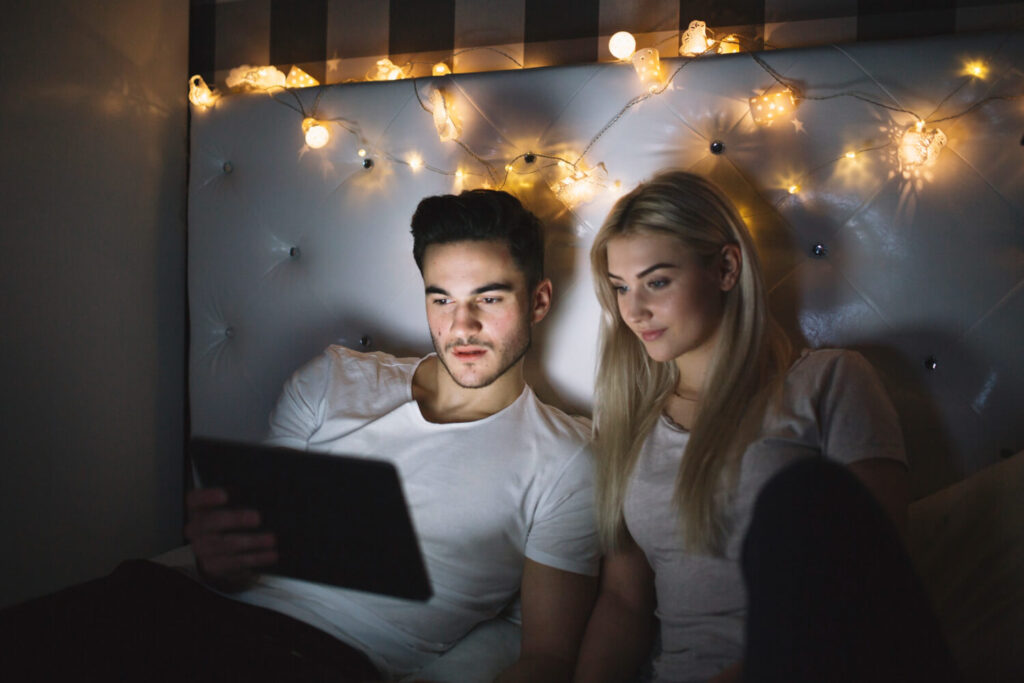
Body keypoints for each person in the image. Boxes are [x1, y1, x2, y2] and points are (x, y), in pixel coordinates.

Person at [1, 189, 599, 683]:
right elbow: (241, 561)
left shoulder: (566, 461)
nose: (460, 326)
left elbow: (546, 657)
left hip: (317, 659)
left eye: (488, 299)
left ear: (538, 300)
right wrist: (216, 560)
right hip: (174, 607)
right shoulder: (334, 378)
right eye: (441, 299)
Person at [573, 170, 959, 682]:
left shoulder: (828, 382)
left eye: (657, 282)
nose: (634, 310)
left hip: (816, 667)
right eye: (620, 288)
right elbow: (623, 603)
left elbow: (870, 582)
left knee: (797, 494)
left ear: (727, 268)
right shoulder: (628, 424)